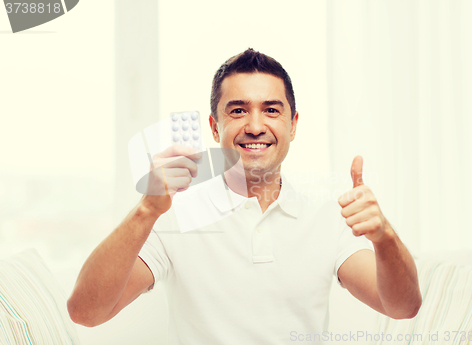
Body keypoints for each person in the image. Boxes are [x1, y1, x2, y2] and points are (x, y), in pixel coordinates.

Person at [67, 48, 422, 343]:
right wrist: (146, 209)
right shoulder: (174, 216)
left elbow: (403, 307)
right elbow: (86, 312)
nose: (255, 126)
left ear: (293, 124)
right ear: (214, 125)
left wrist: (384, 236)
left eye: (271, 109)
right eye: (238, 110)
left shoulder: (329, 219)